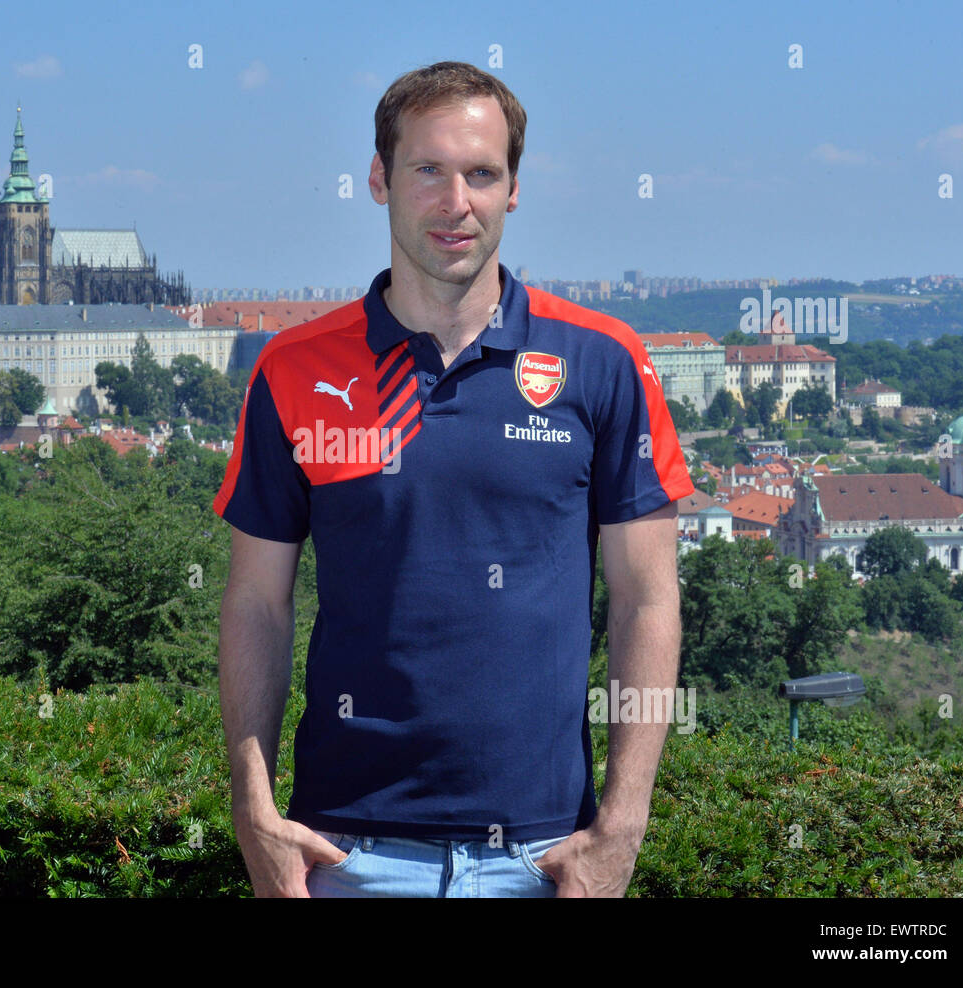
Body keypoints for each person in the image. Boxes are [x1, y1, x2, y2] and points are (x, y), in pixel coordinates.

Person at [213, 61, 693, 897]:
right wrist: (252, 809)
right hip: (344, 851)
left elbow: (648, 599)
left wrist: (622, 827)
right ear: (378, 179)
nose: (455, 200)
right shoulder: (293, 369)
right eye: (428, 169)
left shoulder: (604, 362)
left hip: (544, 856)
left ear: (514, 189)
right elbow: (256, 601)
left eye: (481, 173)